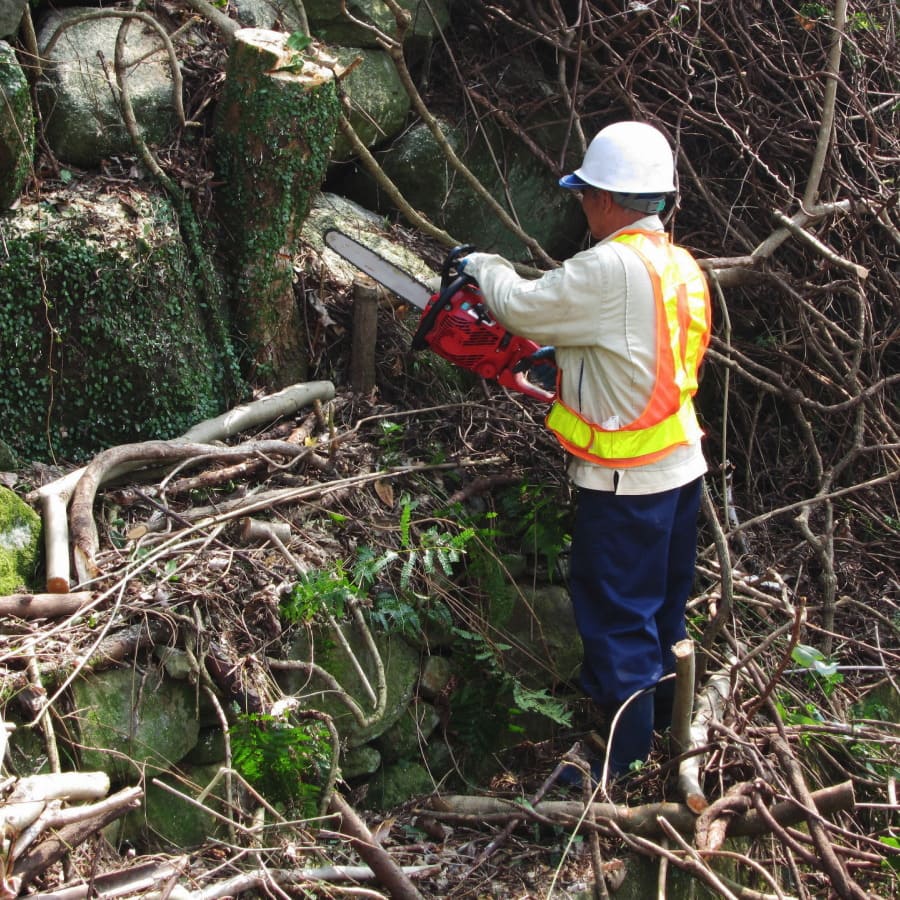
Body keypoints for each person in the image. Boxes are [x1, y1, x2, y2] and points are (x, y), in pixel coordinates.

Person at [458, 121, 712, 779]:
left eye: (585, 194)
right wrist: (572, 356)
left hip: (628, 485)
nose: (582, 206)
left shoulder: (608, 267)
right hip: (681, 471)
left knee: (617, 617)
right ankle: (665, 732)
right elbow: (638, 351)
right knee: (661, 611)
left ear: (603, 197)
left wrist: (481, 265)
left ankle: (623, 766)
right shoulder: (675, 264)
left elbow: (521, 306)